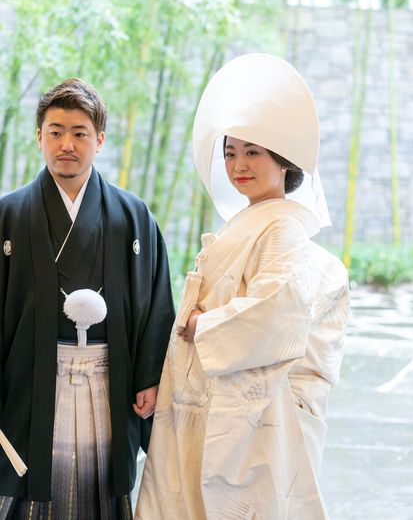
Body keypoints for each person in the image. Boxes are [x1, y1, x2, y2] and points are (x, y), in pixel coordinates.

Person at [136, 53, 350, 519]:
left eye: (253, 152)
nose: (239, 165)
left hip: (242, 410)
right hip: (210, 394)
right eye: (230, 153)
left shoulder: (282, 228)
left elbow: (277, 311)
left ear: (283, 161)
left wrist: (202, 324)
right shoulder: (252, 221)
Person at [0, 78, 175, 519]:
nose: (67, 144)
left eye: (80, 133)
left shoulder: (133, 216)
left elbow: (156, 304)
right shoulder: (9, 214)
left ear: (100, 140)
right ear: (39, 137)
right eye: (56, 132)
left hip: (109, 380)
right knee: (28, 488)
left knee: (101, 489)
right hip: (29, 383)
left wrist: (149, 376)